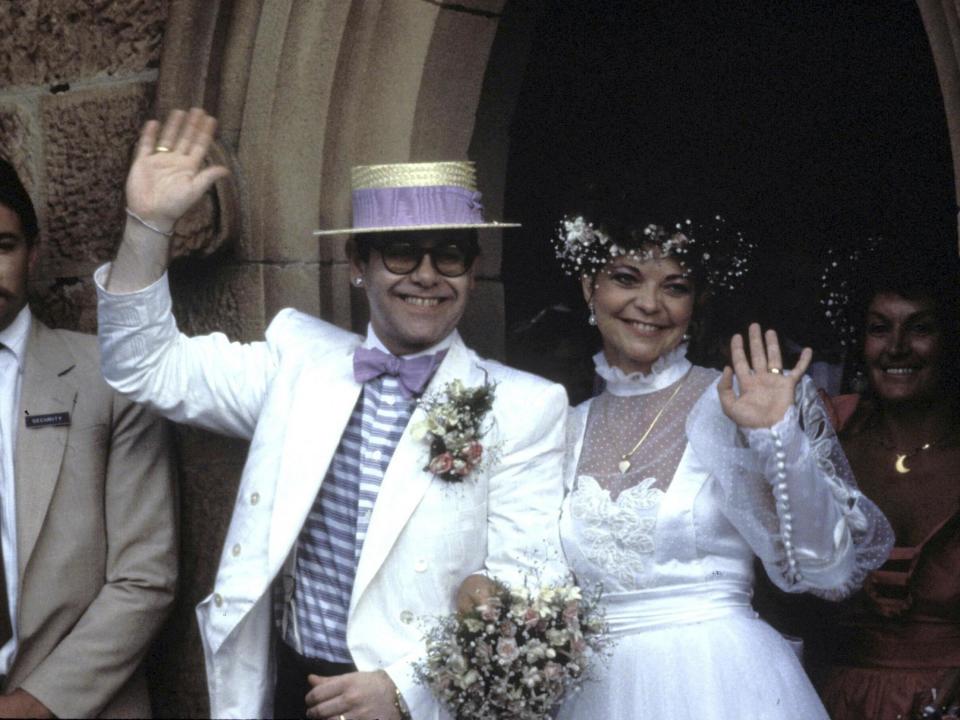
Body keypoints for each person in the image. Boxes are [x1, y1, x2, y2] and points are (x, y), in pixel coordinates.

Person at [95, 108, 568, 719]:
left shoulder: (525, 406)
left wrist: (406, 689)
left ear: (473, 273)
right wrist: (148, 225)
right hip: (291, 686)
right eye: (400, 253)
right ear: (356, 266)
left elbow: (531, 591)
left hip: (417, 701)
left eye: (449, 255)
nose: (426, 275)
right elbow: (145, 365)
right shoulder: (298, 362)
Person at [551, 217, 893, 720]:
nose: (649, 304)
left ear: (697, 303)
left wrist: (778, 437)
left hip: (720, 683)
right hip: (594, 691)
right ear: (588, 287)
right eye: (626, 278)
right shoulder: (563, 427)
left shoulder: (734, 403)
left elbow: (830, 570)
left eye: (675, 287)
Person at [0, 159, 176, 717]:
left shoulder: (109, 378)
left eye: (1, 245)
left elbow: (146, 577)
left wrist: (33, 707)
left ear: (32, 251)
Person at [812, 256, 960, 719]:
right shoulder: (826, 439)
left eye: (920, 329)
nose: (896, 347)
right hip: (840, 702)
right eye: (879, 328)